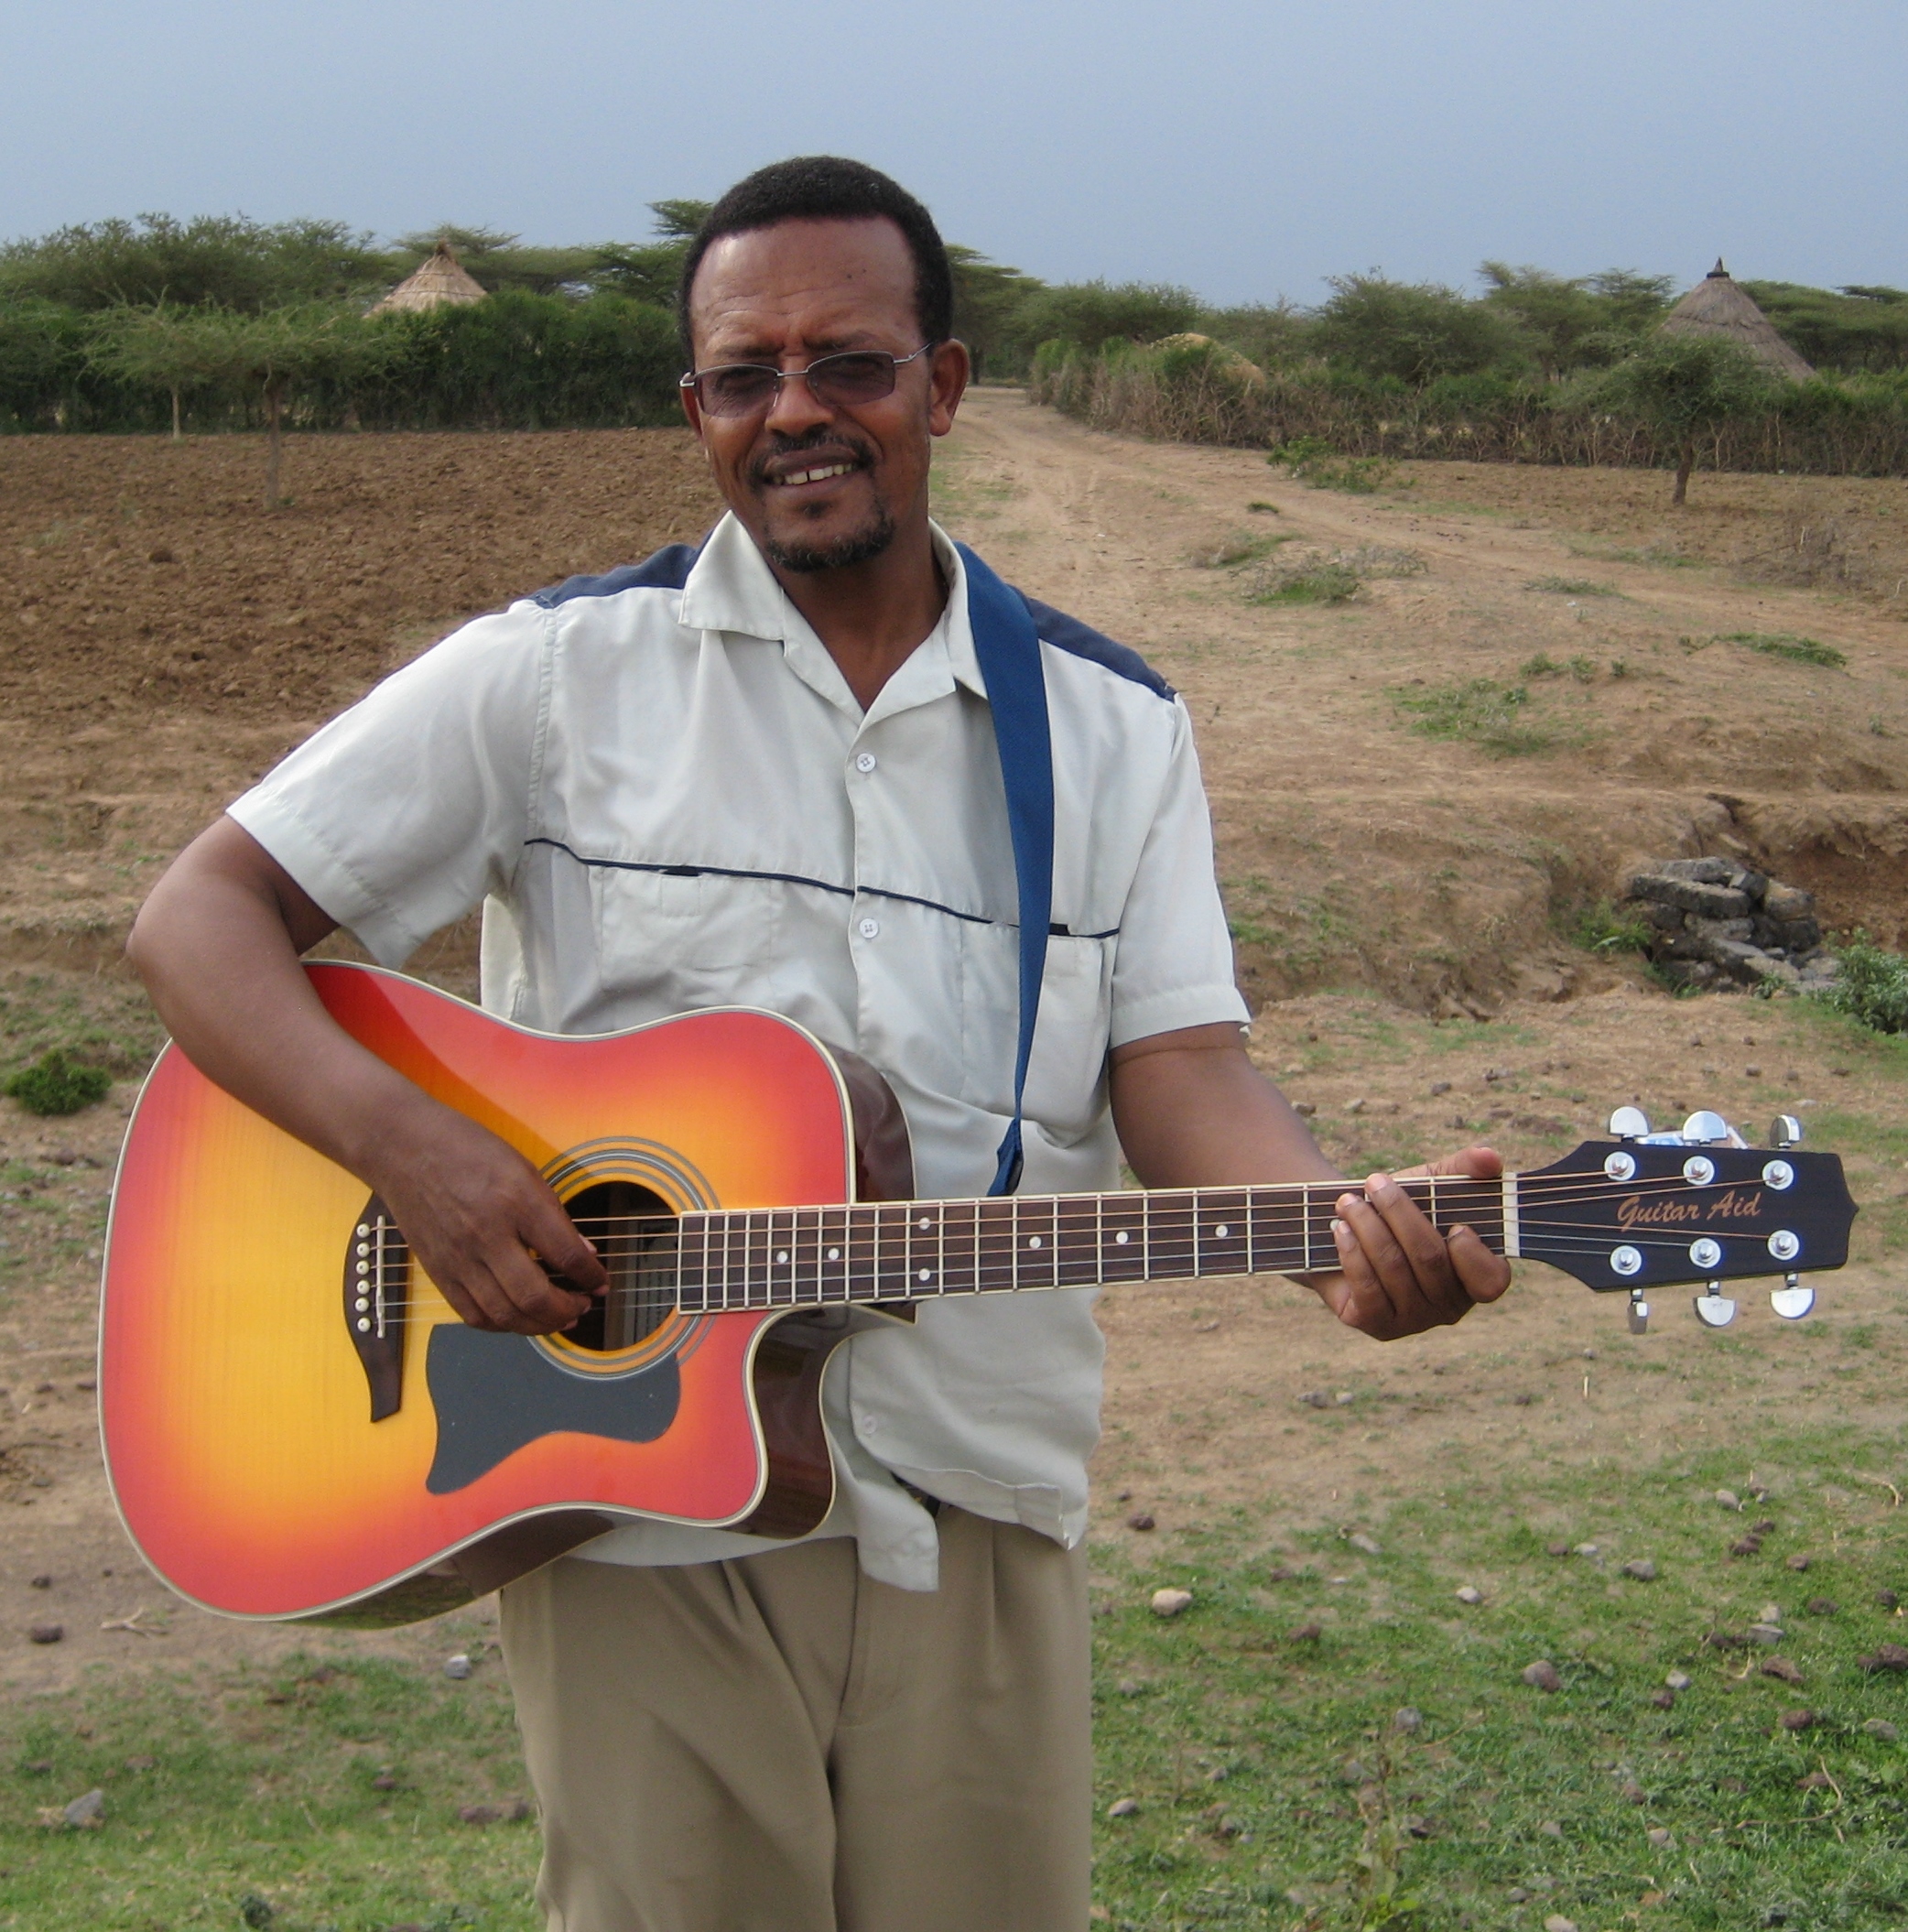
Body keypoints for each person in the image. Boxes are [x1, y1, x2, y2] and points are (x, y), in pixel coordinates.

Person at [127, 157, 1511, 1932]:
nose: (795, 411)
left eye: (846, 364)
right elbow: (197, 921)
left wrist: (1336, 1227)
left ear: (940, 383)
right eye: (742, 375)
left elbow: (1178, 1069)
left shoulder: (1112, 729)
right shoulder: (552, 677)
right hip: (634, 1508)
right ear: (694, 406)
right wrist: (416, 1153)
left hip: (979, 1484)